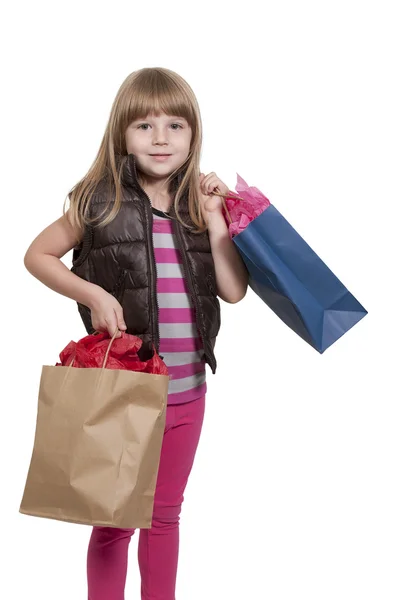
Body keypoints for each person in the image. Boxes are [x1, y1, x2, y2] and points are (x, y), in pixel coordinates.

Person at [23, 67, 249, 600]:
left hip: (188, 390)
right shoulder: (98, 202)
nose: (162, 138)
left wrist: (218, 218)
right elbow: (37, 254)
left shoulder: (198, 206)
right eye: (144, 126)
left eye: (176, 125)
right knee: (114, 520)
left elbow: (234, 291)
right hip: (124, 388)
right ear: (121, 134)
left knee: (165, 516)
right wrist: (93, 294)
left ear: (193, 135)